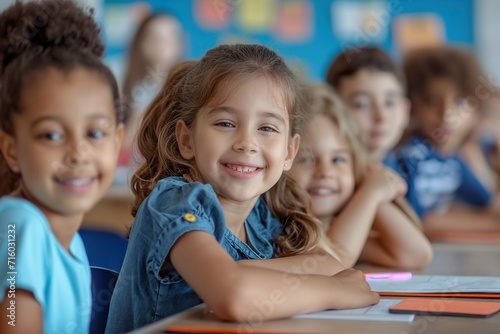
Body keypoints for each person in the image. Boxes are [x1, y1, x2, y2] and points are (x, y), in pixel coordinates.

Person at [106, 44, 379, 332]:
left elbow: (325, 263)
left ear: (289, 152)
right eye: (225, 123)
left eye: (267, 128)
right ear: (186, 140)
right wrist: (335, 292)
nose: (246, 143)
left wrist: (242, 272)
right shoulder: (174, 203)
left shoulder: (259, 217)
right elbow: (234, 297)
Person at [0, 1, 124, 333]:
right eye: (51, 134)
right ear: (11, 149)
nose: (78, 152)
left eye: (95, 133)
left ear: (117, 139)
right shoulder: (19, 227)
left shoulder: (70, 241)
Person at [288, 84, 432, 268]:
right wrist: (371, 193)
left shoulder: (338, 227)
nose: (325, 172)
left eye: (338, 159)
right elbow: (332, 262)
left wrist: (367, 185)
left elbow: (416, 254)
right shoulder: (283, 229)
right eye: (306, 159)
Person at [393, 46, 498, 225]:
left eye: (459, 102)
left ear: (476, 107)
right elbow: (420, 221)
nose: (447, 115)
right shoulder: (410, 157)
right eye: (432, 101)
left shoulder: (453, 159)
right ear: (412, 106)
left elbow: (488, 203)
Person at [326, 46, 410, 167]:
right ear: (332, 111)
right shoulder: (328, 178)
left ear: (405, 111)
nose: (381, 117)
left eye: (390, 103)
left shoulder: (410, 170)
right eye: (362, 104)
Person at [120, 12, 184, 166]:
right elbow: (123, 146)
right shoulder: (126, 85)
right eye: (155, 38)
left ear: (179, 44)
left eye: (169, 38)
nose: (162, 45)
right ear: (141, 43)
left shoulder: (187, 87)